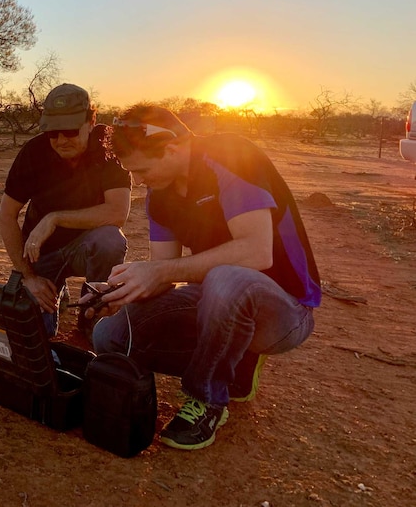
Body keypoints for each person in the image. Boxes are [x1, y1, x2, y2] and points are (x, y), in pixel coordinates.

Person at [88, 104, 320, 450]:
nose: (139, 181)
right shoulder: (160, 195)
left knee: (226, 279)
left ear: (173, 148)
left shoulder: (232, 156)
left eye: (144, 169)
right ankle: (235, 366)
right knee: (109, 337)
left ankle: (209, 397)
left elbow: (257, 252)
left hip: (284, 310)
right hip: (216, 298)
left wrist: (160, 272)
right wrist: (126, 288)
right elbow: (163, 274)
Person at [0, 83, 132, 336]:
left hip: (87, 247)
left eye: (70, 130)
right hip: (41, 254)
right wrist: (28, 277)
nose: (60, 140)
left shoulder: (108, 147)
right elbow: (6, 215)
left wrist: (55, 218)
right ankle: (52, 288)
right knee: (30, 335)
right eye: (52, 132)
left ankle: (93, 311)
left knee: (110, 240)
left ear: (91, 120)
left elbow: (117, 213)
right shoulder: (33, 152)